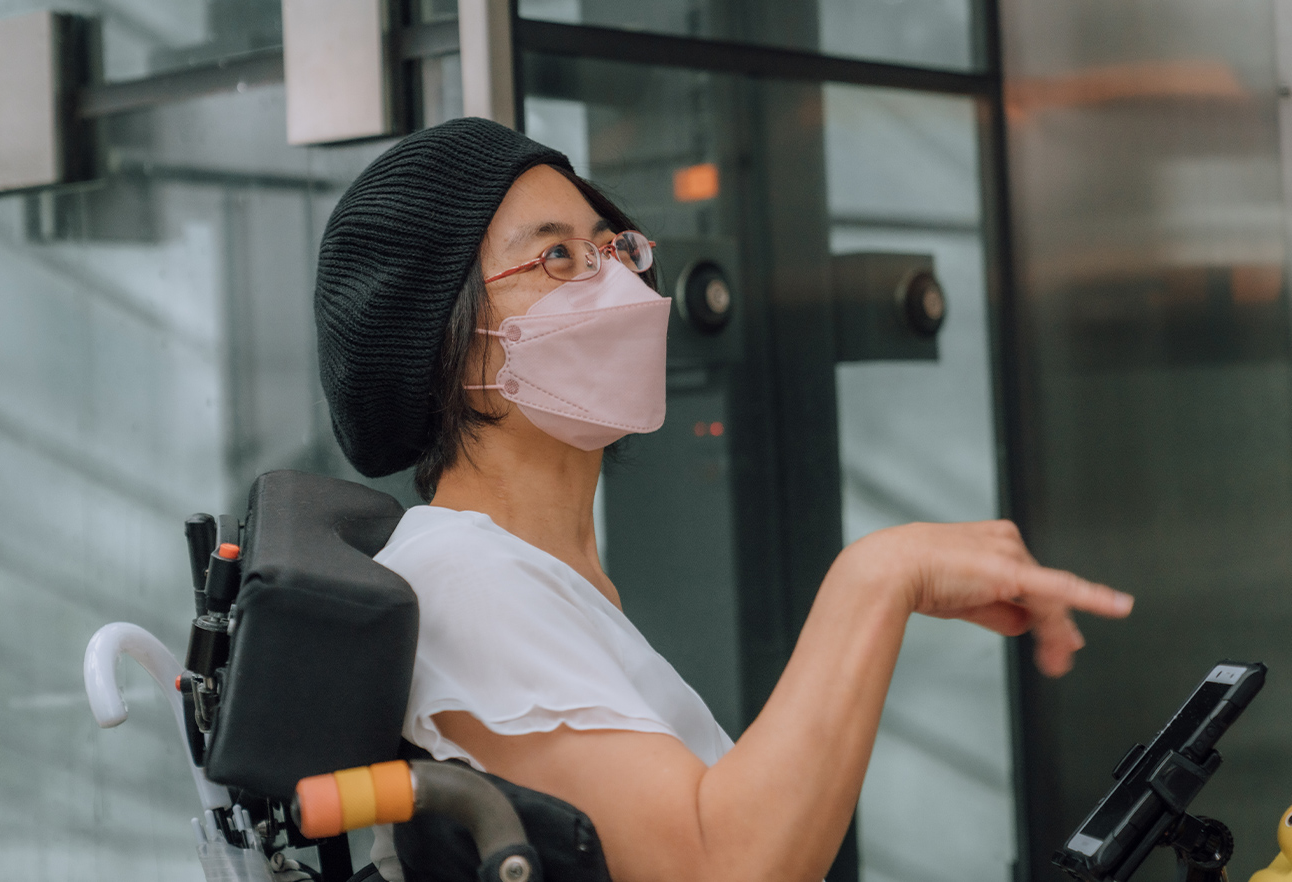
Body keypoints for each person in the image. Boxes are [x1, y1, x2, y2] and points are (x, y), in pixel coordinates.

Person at [312, 117, 1133, 882]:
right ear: (444, 346)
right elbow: (722, 863)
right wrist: (884, 575)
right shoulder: (464, 580)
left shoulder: (537, 580)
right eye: (558, 260)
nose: (622, 287)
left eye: (614, 248)